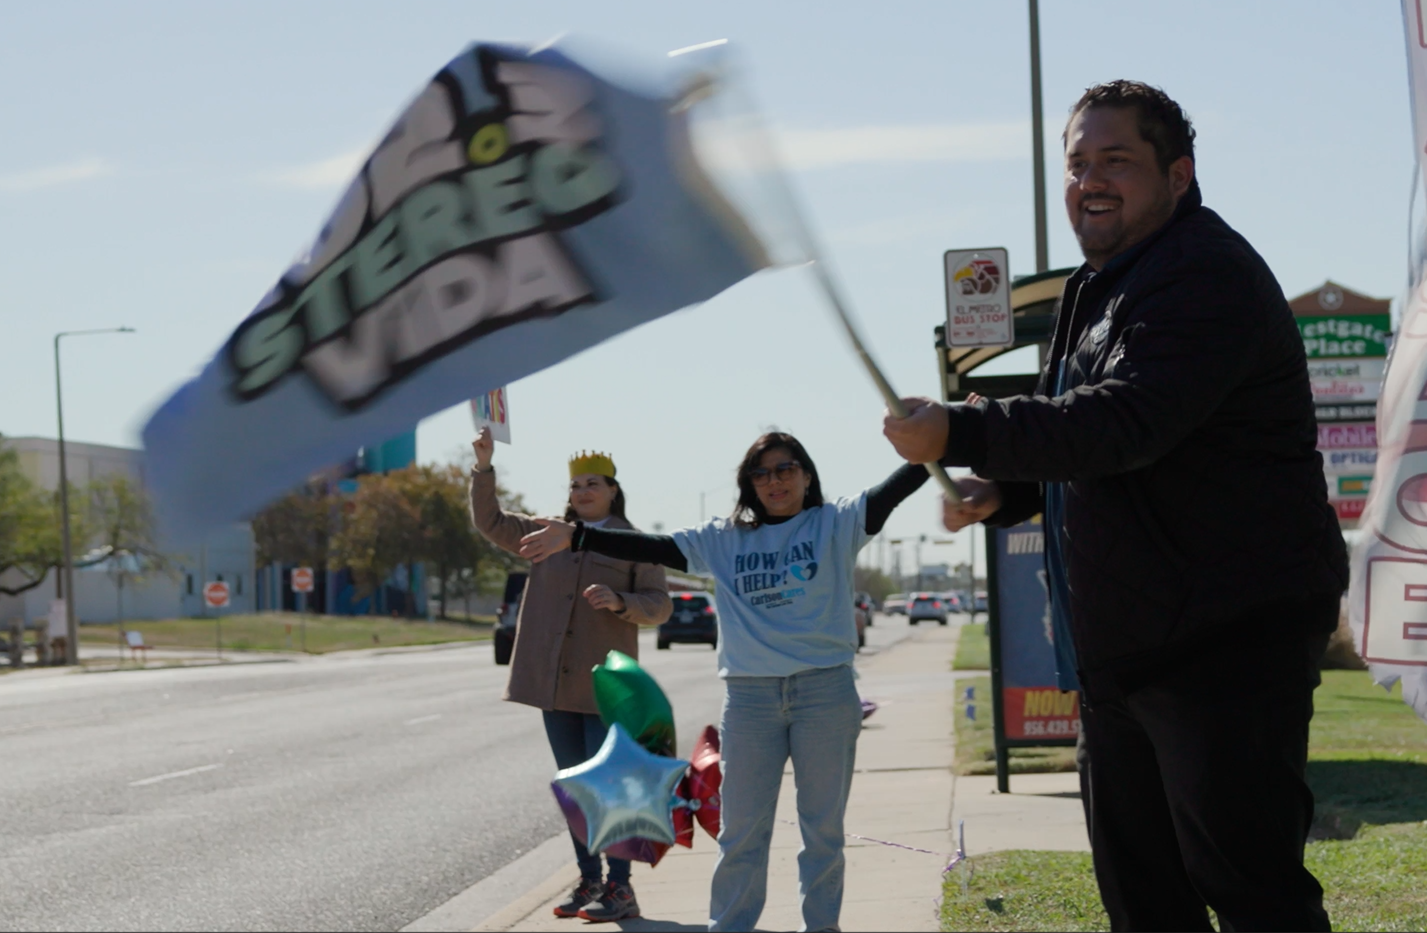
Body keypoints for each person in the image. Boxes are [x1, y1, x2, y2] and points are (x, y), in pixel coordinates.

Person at [882, 80, 1348, 931]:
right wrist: (1008, 490)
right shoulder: (1094, 289)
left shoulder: (1205, 273)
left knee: (1251, 892)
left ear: (1178, 173)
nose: (1090, 179)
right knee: (1144, 901)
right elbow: (1095, 438)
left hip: (1224, 643)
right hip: (1124, 652)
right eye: (1077, 163)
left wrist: (960, 428)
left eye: (1116, 160)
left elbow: (1128, 421)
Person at [517, 432, 927, 933]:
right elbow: (654, 547)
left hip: (824, 692)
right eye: (761, 473)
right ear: (748, 483)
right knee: (741, 833)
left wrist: (956, 432)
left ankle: (822, 927)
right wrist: (578, 536)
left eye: (785, 469)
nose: (774, 481)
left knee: (822, 832)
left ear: (806, 475)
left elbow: (898, 485)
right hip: (751, 699)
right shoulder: (724, 538)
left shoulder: (836, 523)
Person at [468, 428, 672, 923]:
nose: (583, 492)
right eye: (577, 485)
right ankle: (590, 881)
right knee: (574, 786)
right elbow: (489, 520)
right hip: (555, 687)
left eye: (594, 484)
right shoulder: (545, 532)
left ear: (612, 490)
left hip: (607, 688)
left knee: (608, 786)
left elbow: (660, 606)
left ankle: (621, 888)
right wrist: (483, 466)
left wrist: (621, 601)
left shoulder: (636, 543)